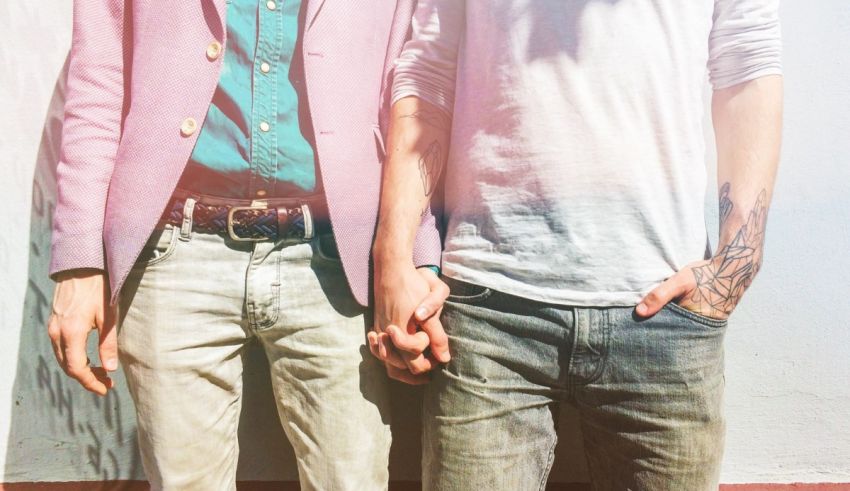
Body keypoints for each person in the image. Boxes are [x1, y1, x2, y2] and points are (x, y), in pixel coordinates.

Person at [371, 1, 783, 489]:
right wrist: (392, 258)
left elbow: (749, 61)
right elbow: (428, 70)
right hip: (489, 313)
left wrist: (739, 260)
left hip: (665, 317)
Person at [46, 0, 448, 489]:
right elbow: (98, 87)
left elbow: (412, 87)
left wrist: (415, 256)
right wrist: (80, 262)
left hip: (335, 258)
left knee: (352, 479)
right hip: (176, 254)